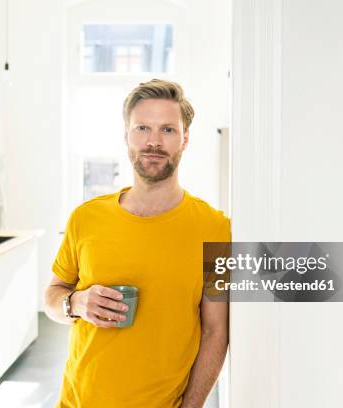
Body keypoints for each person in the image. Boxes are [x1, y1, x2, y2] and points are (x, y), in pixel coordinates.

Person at [44, 79, 231, 408]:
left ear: (185, 139)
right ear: (126, 136)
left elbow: (216, 331)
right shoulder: (85, 218)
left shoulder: (216, 229)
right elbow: (52, 296)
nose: (154, 142)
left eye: (168, 130)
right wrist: (76, 303)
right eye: (142, 128)